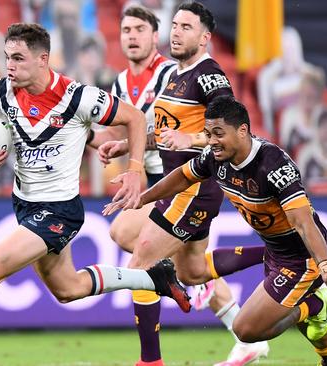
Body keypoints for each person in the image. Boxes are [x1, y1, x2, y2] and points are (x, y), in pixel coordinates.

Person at [0, 22, 191, 366]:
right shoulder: (2, 93)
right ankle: (154, 278)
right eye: (8, 57)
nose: (10, 66)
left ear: (43, 60)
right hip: (25, 206)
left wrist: (134, 168)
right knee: (69, 289)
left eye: (19, 58)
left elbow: (134, 120)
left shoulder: (76, 97)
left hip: (58, 211)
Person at [104, 95, 327, 366]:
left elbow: (304, 223)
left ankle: (315, 306)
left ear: (243, 130)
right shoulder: (215, 158)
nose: (211, 140)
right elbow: (181, 177)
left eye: (218, 133)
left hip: (303, 257)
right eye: (208, 133)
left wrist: (326, 269)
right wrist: (142, 198)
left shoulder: (273, 165)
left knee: (246, 330)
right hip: (275, 251)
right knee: (279, 310)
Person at [95, 3, 268, 365]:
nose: (177, 32)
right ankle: (276, 256)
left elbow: (233, 127)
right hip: (180, 185)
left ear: (205, 37)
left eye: (186, 27)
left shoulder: (209, 77)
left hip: (193, 187)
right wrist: (126, 144)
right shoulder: (176, 75)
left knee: (141, 259)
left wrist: (192, 139)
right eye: (175, 25)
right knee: (192, 271)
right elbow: (164, 131)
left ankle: (150, 361)